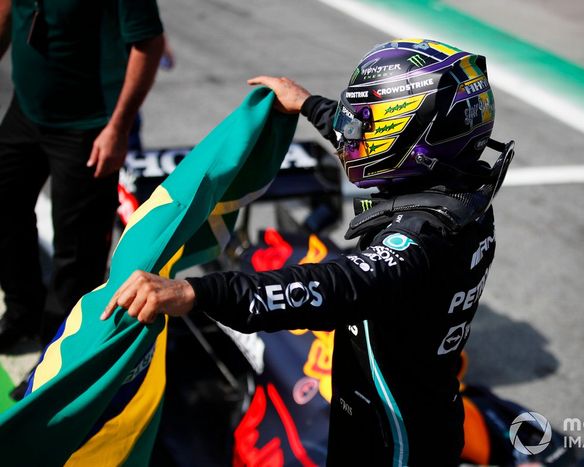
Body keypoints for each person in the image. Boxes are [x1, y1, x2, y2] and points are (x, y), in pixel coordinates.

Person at [102, 39, 515, 466]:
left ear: (417, 133)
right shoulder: (462, 191)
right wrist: (308, 104)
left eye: (365, 125)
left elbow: (339, 286)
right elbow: (377, 140)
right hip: (410, 414)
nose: (352, 136)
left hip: (394, 443)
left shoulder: (426, 235)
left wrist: (198, 293)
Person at [0, 0, 165, 351]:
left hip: (89, 127)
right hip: (26, 110)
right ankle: (22, 312)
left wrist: (118, 128)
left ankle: (56, 352)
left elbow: (148, 44)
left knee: (78, 254)